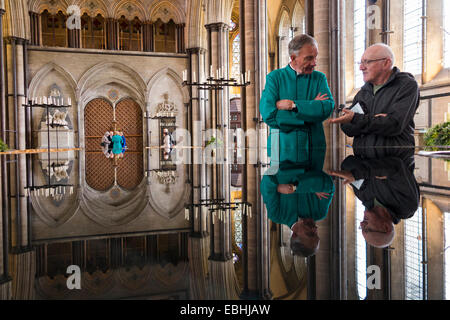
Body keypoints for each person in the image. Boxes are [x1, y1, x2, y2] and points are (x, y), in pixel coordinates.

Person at [260, 34, 334, 164]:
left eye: (315, 57)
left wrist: (294, 106)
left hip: (313, 147)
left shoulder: (319, 78)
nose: (314, 63)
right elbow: (268, 115)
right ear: (293, 58)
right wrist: (311, 109)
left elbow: (327, 107)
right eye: (309, 58)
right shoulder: (274, 78)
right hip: (281, 148)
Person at [329, 43, 419, 148]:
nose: (361, 67)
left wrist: (358, 119)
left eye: (367, 62)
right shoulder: (363, 93)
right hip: (362, 161)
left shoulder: (406, 85)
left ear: (386, 63)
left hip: (394, 161)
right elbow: (347, 128)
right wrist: (373, 119)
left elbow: (394, 125)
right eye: (361, 62)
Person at [327, 147, 419, 248]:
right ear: (386, 227)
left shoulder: (363, 196)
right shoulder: (406, 206)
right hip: (390, 137)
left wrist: (369, 173)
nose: (362, 224)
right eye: (367, 229)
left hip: (362, 137)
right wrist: (360, 173)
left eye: (361, 228)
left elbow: (348, 163)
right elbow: (395, 167)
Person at [261, 151, 334, 257]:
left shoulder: (277, 214)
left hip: (282, 148)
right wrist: (294, 187)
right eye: (316, 234)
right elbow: (328, 184)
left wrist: (312, 185)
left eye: (310, 233)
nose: (316, 229)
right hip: (312, 149)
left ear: (295, 234)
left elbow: (267, 180)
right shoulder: (319, 212)